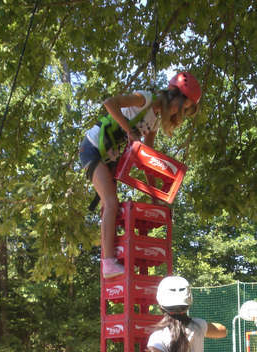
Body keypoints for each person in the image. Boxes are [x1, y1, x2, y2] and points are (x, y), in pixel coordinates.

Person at [79, 73, 202, 279]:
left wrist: (155, 196)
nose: (177, 114)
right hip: (92, 147)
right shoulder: (145, 99)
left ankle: (110, 260)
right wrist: (129, 131)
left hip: (108, 158)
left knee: (110, 207)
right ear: (174, 98)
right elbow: (109, 103)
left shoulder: (154, 123)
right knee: (111, 203)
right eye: (181, 108)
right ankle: (108, 263)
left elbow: (147, 159)